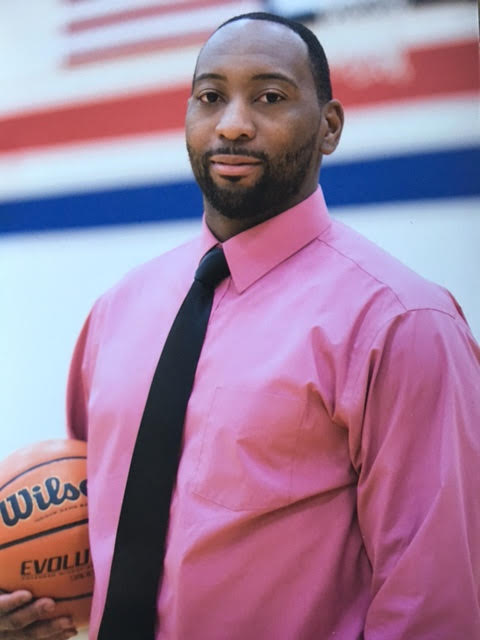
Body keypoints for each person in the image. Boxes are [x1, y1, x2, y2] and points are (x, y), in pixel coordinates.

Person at [1, 11, 479, 640]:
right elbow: (86, 527)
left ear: (329, 127)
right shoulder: (117, 310)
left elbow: (434, 607)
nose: (232, 123)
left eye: (270, 97)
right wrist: (35, 607)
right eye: (211, 96)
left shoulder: (402, 325)